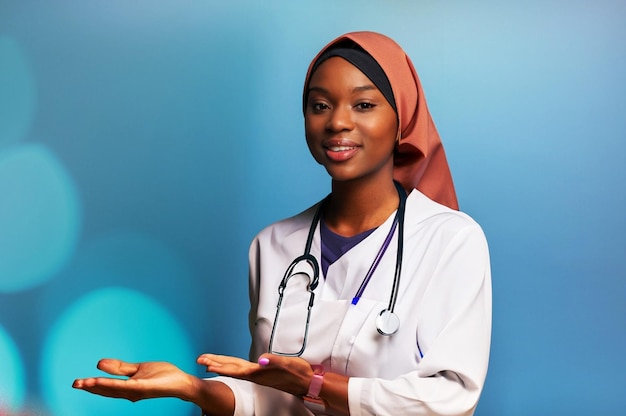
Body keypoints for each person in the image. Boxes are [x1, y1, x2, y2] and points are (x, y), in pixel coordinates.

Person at [73, 31, 491, 416]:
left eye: (363, 104)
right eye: (319, 105)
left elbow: (450, 398)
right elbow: (271, 397)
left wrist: (315, 384)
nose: (337, 122)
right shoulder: (271, 245)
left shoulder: (451, 240)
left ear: (402, 118)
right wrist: (195, 389)